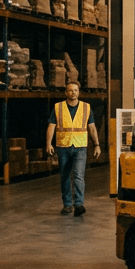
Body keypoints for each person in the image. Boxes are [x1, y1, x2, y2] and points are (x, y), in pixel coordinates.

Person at [46, 82, 101, 216]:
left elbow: (92, 127)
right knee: (65, 177)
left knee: (78, 176)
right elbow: (51, 126)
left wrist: (97, 145)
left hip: (80, 146)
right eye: (70, 90)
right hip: (63, 146)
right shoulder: (58, 107)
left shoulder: (86, 108)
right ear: (66, 93)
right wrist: (48, 143)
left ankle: (79, 204)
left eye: (75, 90)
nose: (73, 93)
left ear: (79, 92)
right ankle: (67, 205)